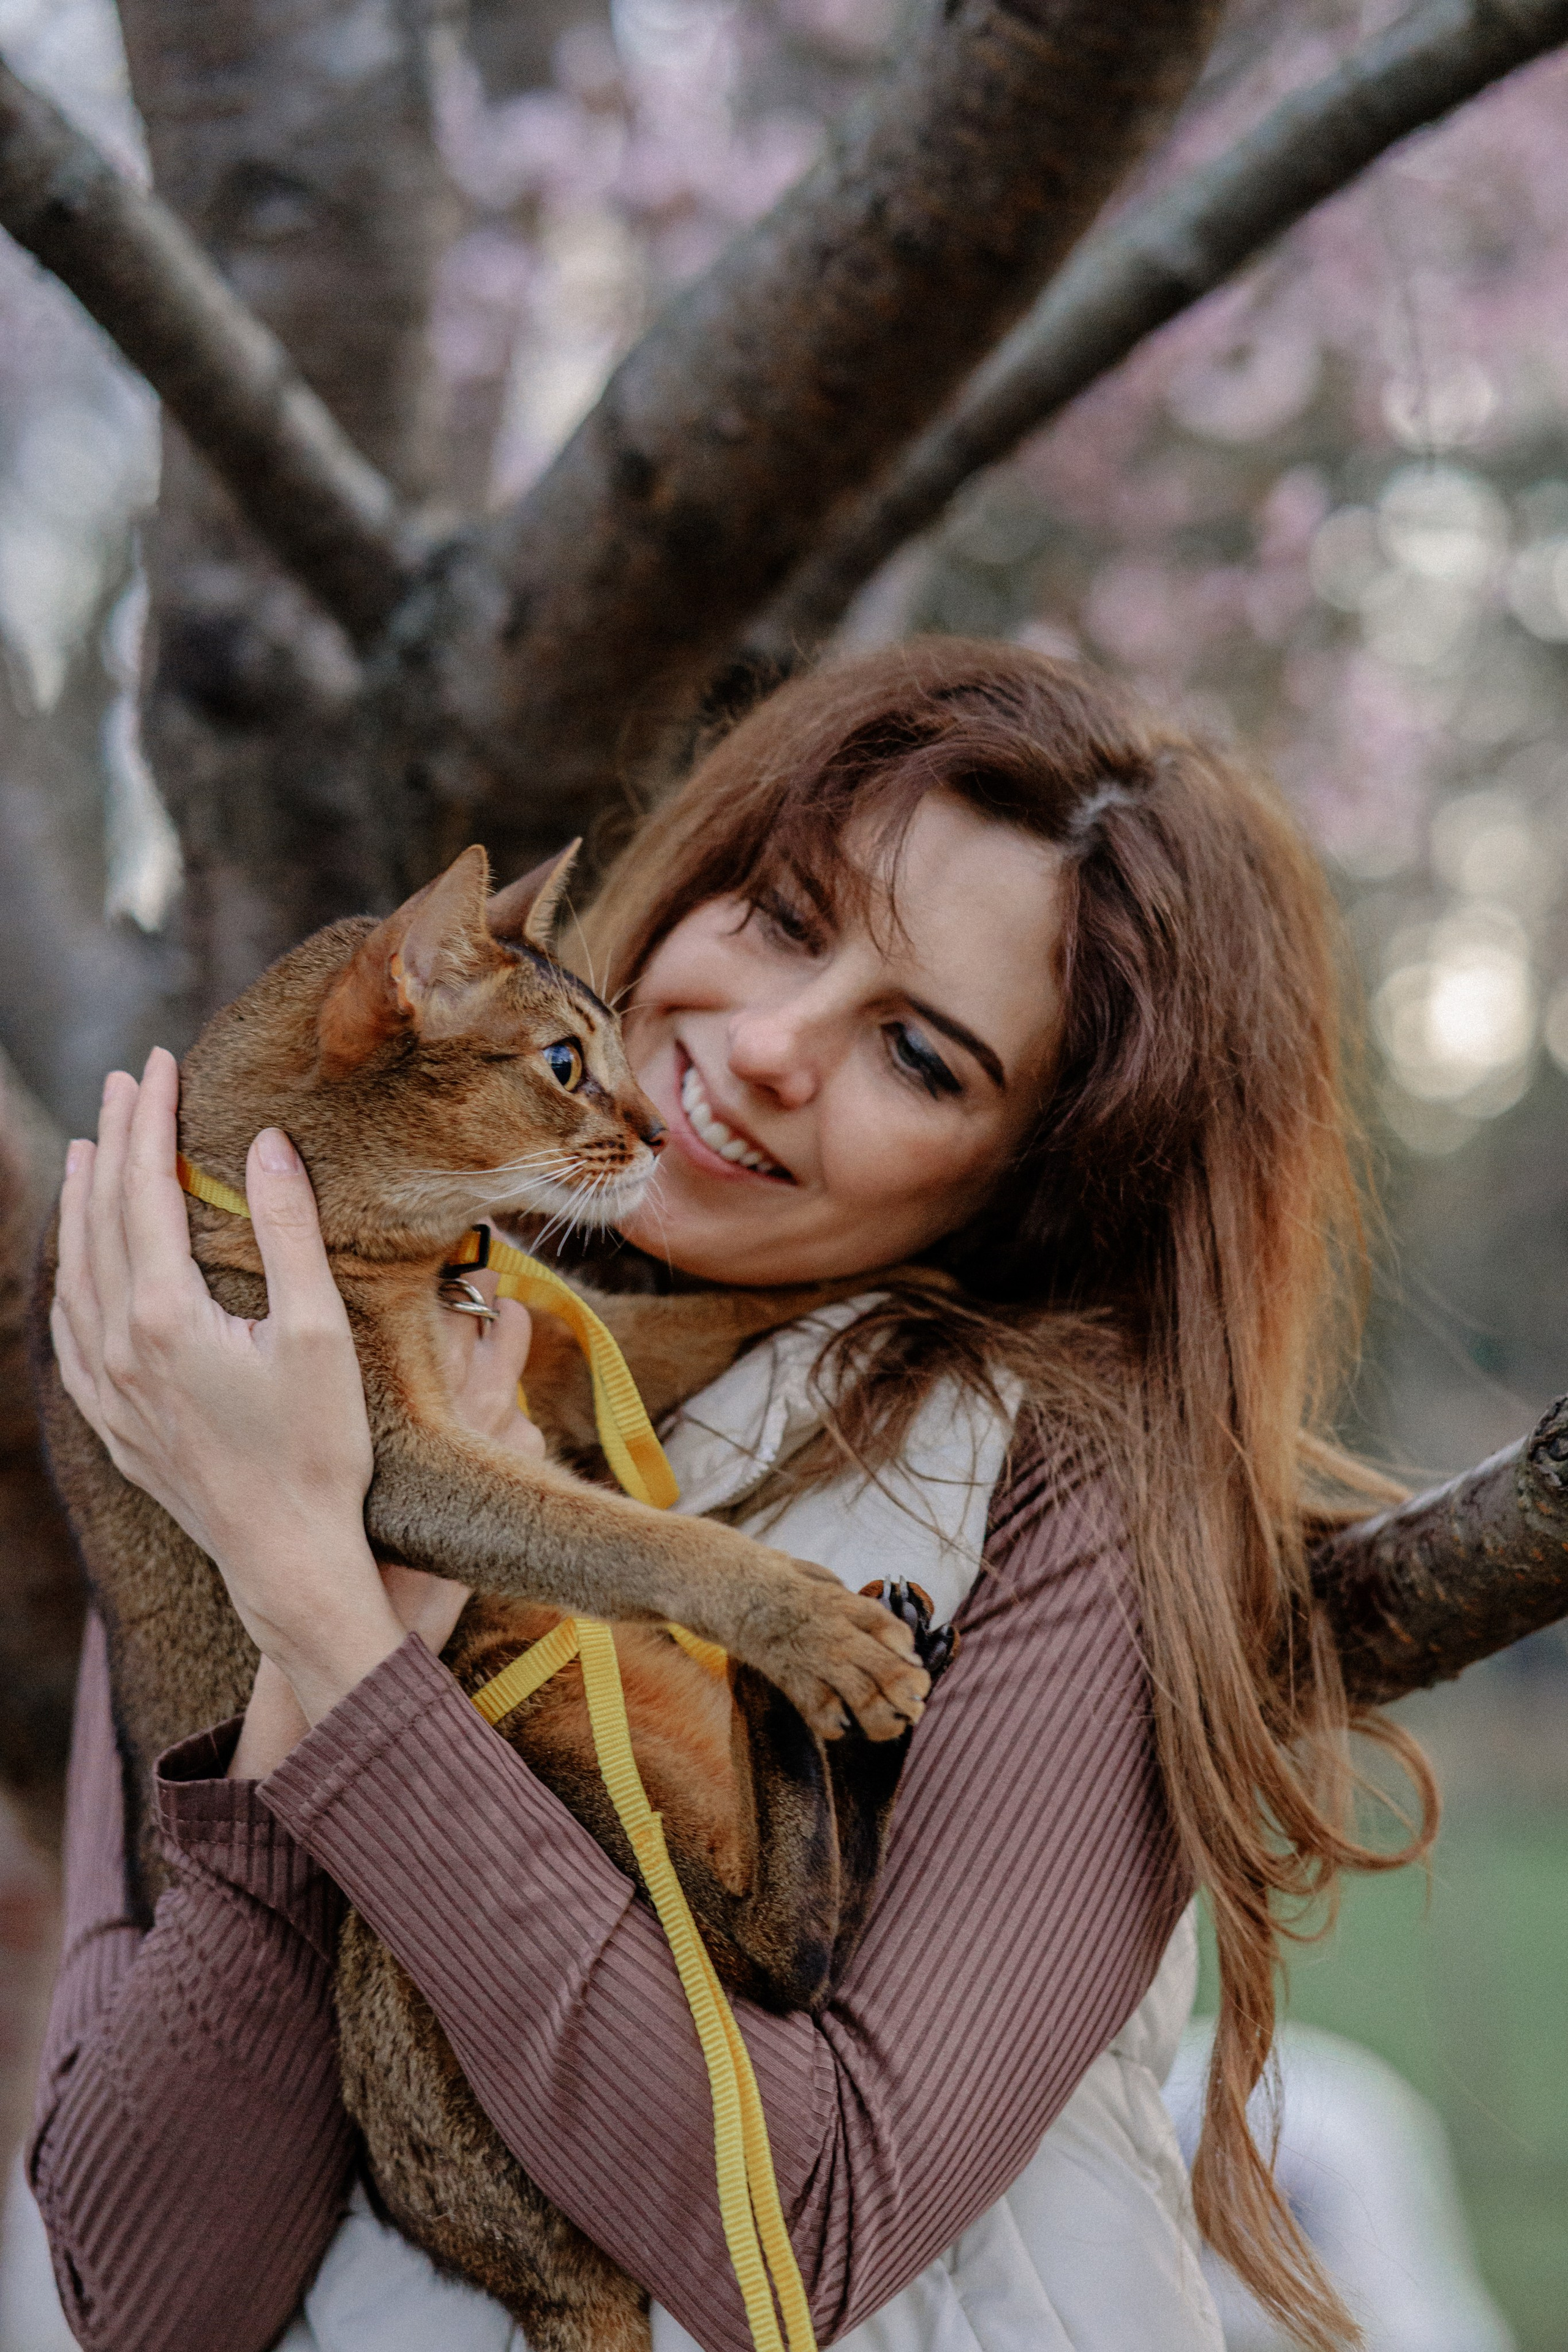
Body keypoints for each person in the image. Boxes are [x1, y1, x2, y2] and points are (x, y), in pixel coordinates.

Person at [39, 640, 1434, 2352]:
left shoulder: (1066, 1492)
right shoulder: (258, 1380)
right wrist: (303, 1579)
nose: (770, 1044)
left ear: (1041, 1173)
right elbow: (147, 2303)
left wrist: (322, 1610)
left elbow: (809, 2226)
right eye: (780, 914)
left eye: (920, 1056)